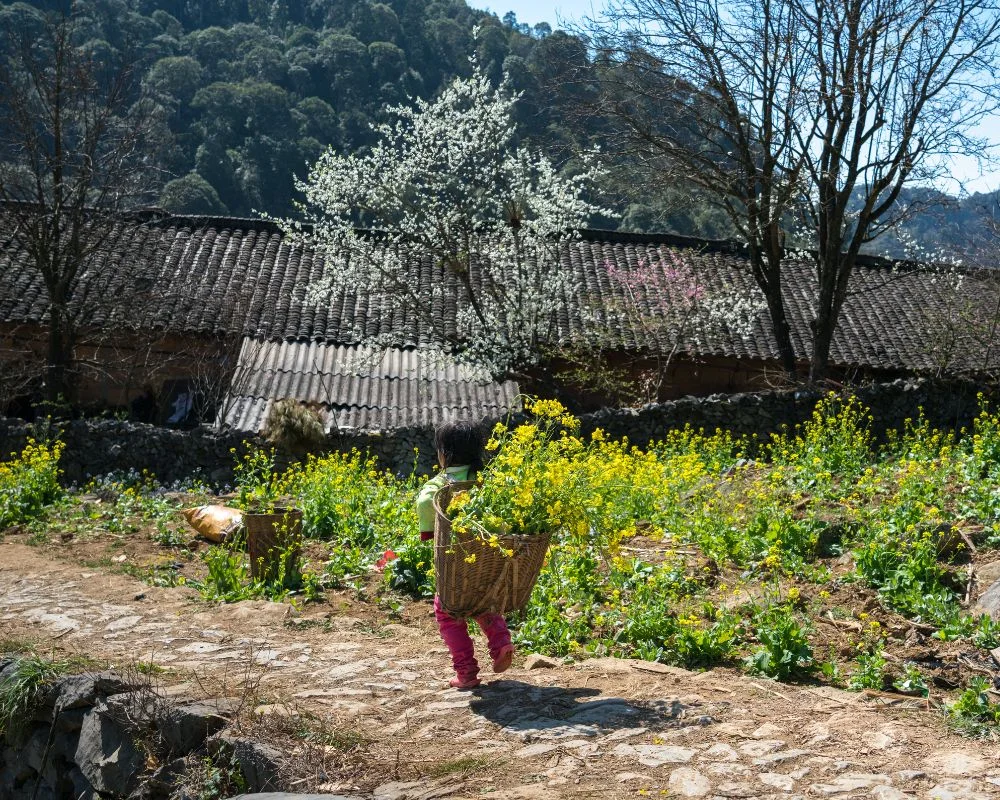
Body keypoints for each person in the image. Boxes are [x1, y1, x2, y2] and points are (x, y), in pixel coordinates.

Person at [416, 420, 514, 689]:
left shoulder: (439, 484)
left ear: (443, 454)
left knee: (447, 612)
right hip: (488, 563)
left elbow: (426, 503)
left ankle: (466, 672)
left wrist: (429, 529)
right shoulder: (488, 480)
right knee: (484, 604)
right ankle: (501, 642)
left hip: (454, 568)